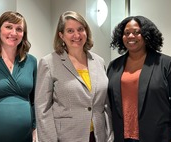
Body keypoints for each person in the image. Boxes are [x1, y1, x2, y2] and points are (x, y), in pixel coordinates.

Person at [107, 15, 171, 142]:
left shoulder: (167, 64)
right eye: (126, 33)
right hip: (121, 137)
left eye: (137, 32)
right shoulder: (114, 66)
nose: (131, 36)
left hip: (157, 136)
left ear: (147, 35)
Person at [34, 11, 114, 142]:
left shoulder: (99, 61)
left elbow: (105, 104)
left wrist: (109, 134)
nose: (76, 35)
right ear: (61, 35)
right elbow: (42, 108)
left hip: (99, 136)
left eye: (80, 29)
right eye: (70, 30)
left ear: (86, 32)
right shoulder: (49, 63)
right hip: (66, 137)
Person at [0, 11, 37, 142]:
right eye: (9, 27)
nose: (14, 33)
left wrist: (35, 129)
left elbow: (34, 100)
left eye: (19, 29)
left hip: (25, 137)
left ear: (23, 35)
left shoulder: (31, 62)